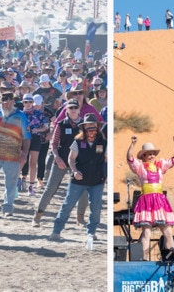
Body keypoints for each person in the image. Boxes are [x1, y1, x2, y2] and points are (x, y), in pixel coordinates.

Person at [49, 113, 107, 248]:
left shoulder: (103, 142)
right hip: (78, 180)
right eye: (88, 125)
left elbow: (106, 160)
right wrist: (74, 171)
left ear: (97, 127)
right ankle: (56, 231)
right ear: (84, 127)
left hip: (97, 180)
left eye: (93, 125)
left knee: (96, 208)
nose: (91, 127)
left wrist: (106, 176)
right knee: (68, 204)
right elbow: (70, 159)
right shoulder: (78, 142)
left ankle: (91, 233)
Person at [32, 99, 88, 227]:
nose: (73, 110)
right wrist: (57, 158)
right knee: (50, 188)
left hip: (78, 162)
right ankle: (37, 216)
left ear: (79, 109)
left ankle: (80, 218)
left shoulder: (84, 126)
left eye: (75, 107)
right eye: (70, 107)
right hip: (61, 160)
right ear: (67, 110)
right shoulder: (61, 124)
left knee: (83, 190)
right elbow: (54, 144)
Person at [127, 135, 174, 260]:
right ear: (144, 156)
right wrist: (133, 144)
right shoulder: (140, 167)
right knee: (147, 232)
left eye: (153, 154)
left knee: (167, 231)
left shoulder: (160, 166)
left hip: (160, 201)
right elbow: (129, 158)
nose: (151, 156)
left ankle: (170, 258)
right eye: (148, 154)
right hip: (146, 201)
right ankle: (142, 259)